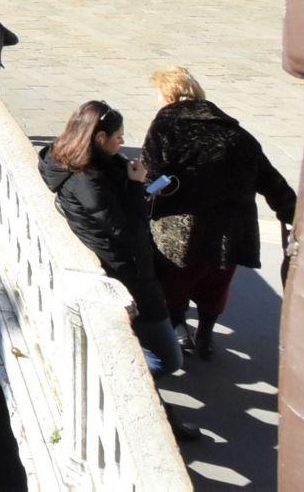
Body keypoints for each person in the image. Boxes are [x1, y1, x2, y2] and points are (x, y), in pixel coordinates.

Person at [40, 101, 198, 438]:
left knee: (157, 349)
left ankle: (151, 401)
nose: (122, 143)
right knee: (169, 360)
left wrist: (129, 181)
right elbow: (128, 232)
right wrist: (138, 186)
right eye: (117, 138)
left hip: (125, 270)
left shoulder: (77, 164)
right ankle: (122, 386)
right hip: (129, 276)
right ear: (98, 138)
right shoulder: (89, 182)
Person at [143, 67, 298, 360]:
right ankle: (205, 335)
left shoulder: (165, 127)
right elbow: (271, 181)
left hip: (182, 230)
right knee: (216, 283)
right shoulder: (237, 134)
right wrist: (294, 213)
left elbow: (154, 176)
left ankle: (178, 329)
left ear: (169, 95)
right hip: (231, 230)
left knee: (176, 283)